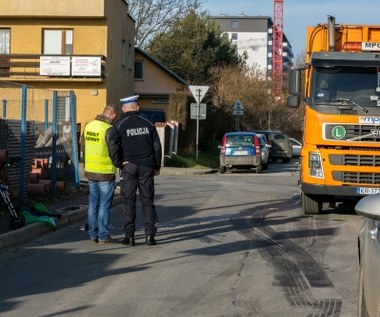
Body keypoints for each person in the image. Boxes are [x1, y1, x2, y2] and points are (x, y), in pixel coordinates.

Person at [107, 95, 162, 246]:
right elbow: (157, 146)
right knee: (147, 201)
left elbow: (112, 145)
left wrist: (118, 162)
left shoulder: (119, 125)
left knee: (129, 201)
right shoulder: (148, 123)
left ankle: (129, 236)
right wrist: (156, 166)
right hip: (146, 167)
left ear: (124, 109)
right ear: (137, 108)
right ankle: (150, 236)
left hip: (129, 167)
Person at [81, 104, 119, 244]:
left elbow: (83, 146)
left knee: (92, 203)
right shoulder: (109, 129)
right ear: (113, 115)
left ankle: (93, 234)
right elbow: (114, 151)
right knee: (104, 204)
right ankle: (103, 235)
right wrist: (119, 165)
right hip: (105, 173)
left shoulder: (88, 125)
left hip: (91, 171)